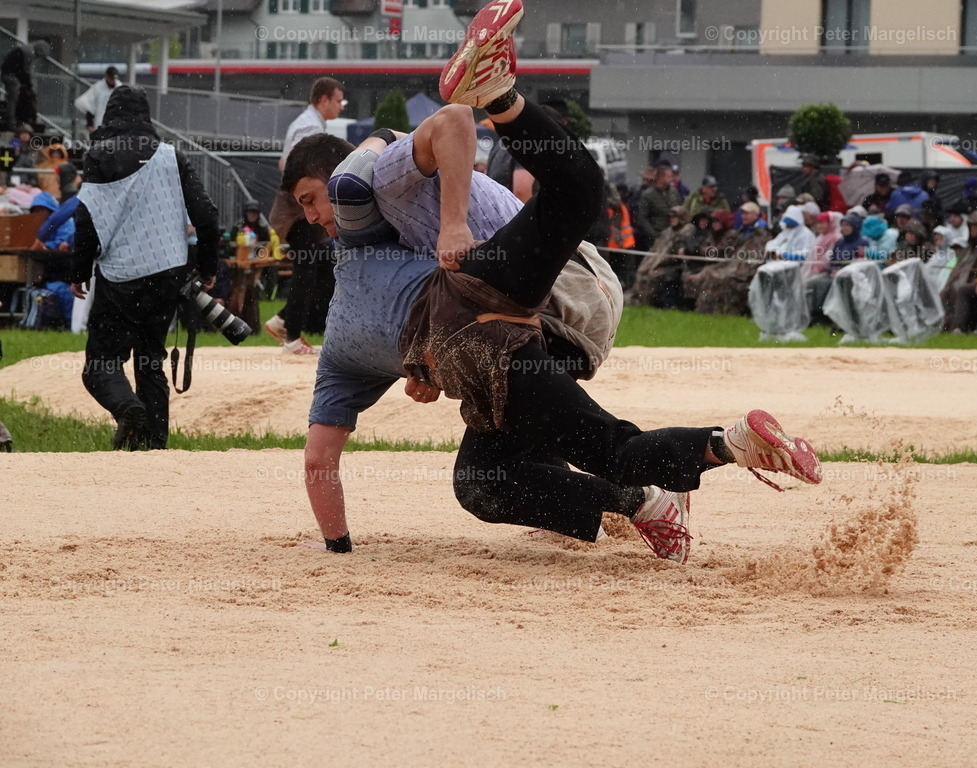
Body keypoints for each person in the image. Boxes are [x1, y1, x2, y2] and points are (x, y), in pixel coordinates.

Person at [290, 0, 822, 561]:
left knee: (601, 439)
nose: (311, 218)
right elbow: (323, 452)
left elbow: (368, 172)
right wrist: (416, 365)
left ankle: (724, 447)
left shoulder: (364, 203)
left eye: (309, 200)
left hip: (552, 292)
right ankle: (700, 465)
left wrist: (338, 548)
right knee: (491, 479)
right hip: (511, 319)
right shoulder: (360, 256)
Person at [70, 85, 220, 450]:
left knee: (100, 365)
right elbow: (207, 215)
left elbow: (86, 216)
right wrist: (208, 266)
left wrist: (79, 270)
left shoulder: (99, 156)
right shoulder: (173, 156)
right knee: (151, 361)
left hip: (119, 276)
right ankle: (153, 446)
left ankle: (127, 409)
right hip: (166, 272)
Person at [264, 77, 346, 354]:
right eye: (337, 100)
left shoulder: (307, 124)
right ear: (323, 99)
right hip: (298, 211)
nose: (341, 106)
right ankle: (292, 337)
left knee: (323, 267)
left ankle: (283, 321)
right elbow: (290, 165)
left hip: (301, 208)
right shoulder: (308, 126)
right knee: (307, 269)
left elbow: (283, 161)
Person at [1, 40, 50, 130]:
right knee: (13, 99)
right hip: (10, 76)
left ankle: (13, 119)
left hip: (9, 74)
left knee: (13, 97)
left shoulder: (27, 49)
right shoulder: (29, 53)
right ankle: (11, 122)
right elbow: (24, 71)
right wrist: (27, 84)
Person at [74, 66, 122, 134]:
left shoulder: (120, 88)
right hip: (100, 124)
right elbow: (89, 105)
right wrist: (90, 123)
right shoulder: (98, 88)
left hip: (115, 124)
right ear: (106, 76)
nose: (112, 80)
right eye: (111, 78)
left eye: (114, 78)